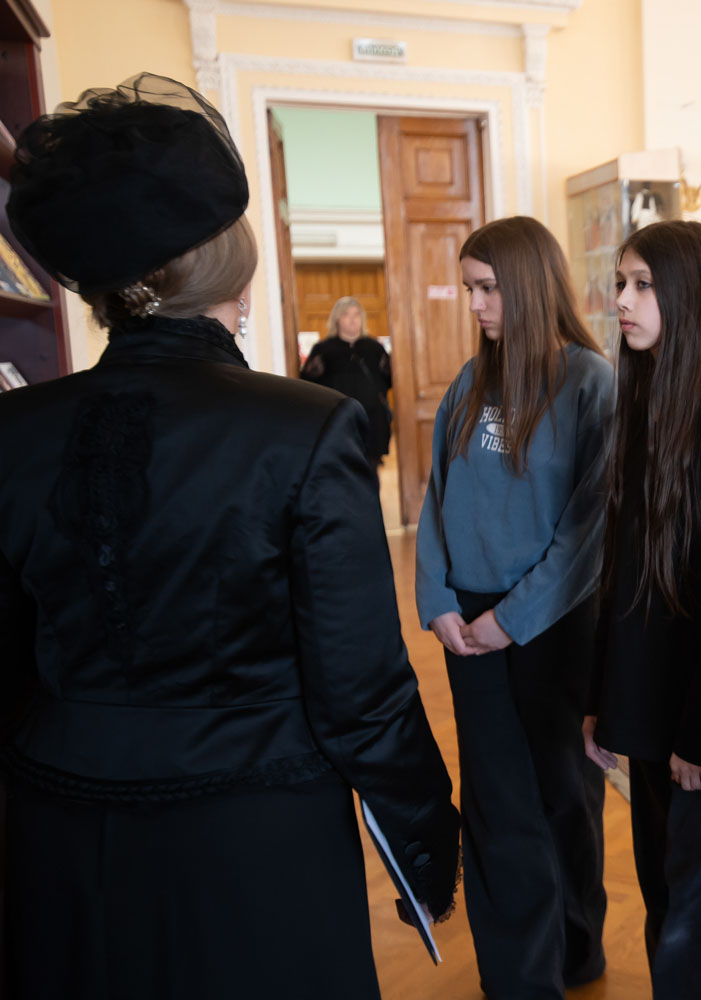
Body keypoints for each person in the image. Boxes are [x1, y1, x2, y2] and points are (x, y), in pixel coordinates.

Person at [0, 73, 459, 1000]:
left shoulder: (16, 429)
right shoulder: (305, 427)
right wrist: (425, 837)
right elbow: (360, 688)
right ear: (228, 269)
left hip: (56, 831)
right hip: (252, 836)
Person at [415, 215, 613, 999]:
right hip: (466, 626)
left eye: (489, 288)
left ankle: (577, 951)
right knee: (496, 802)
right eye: (469, 288)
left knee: (564, 792)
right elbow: (435, 499)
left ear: (529, 285)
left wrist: (513, 618)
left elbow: (589, 529)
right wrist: (437, 600)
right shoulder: (470, 382)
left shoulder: (590, 382)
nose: (475, 305)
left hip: (553, 621)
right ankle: (519, 981)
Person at [582, 220, 701, 998]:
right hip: (647, 701)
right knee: (664, 895)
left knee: (697, 915)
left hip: (693, 716)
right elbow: (620, 575)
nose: (621, 300)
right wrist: (601, 701)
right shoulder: (646, 399)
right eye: (620, 283)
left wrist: (698, 728)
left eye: (643, 285)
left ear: (689, 292)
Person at [301, 296, 392, 468]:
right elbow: (308, 383)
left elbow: (390, 379)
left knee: (371, 470)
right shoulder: (324, 350)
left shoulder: (374, 348)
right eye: (346, 314)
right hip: (338, 420)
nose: (352, 319)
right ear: (337, 319)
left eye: (357, 314)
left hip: (372, 420)